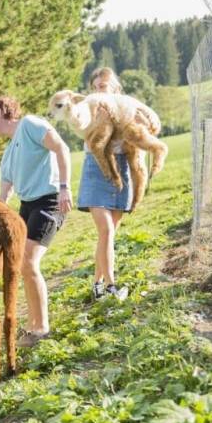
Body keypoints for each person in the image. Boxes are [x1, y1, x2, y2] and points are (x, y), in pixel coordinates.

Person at [0, 96, 73, 347]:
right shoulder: (7, 154)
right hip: (27, 207)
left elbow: (61, 148)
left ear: (1, 113)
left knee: (28, 261)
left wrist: (65, 188)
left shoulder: (30, 125)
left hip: (49, 201)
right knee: (21, 264)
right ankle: (33, 325)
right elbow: (4, 194)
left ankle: (42, 328)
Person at [78, 67, 131, 301]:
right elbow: (81, 126)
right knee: (106, 230)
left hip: (121, 167)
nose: (99, 90)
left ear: (115, 87)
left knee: (108, 233)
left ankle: (97, 284)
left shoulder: (127, 106)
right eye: (96, 87)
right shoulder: (87, 108)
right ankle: (111, 287)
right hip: (96, 166)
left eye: (103, 86)